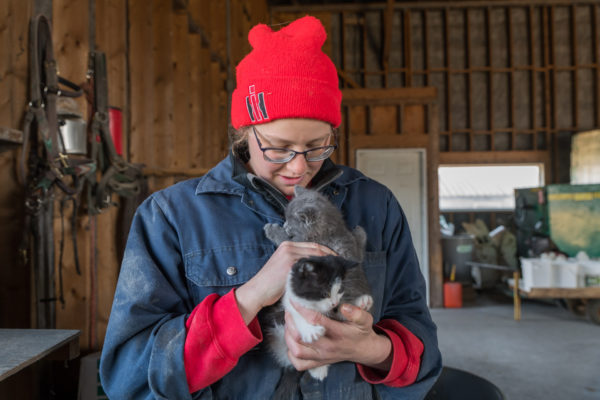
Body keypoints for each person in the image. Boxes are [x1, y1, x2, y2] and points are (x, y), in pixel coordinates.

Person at [100, 15, 442, 399]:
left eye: (317, 146)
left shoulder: (376, 204)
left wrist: (371, 349)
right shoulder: (171, 216)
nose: (298, 166)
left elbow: (421, 345)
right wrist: (250, 297)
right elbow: (129, 376)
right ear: (245, 132)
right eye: (278, 147)